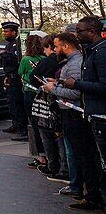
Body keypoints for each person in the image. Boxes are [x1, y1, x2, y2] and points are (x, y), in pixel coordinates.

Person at [44, 32, 100, 210]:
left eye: (57, 46)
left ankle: (93, 195)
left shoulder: (75, 63)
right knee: (81, 155)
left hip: (75, 115)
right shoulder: (73, 62)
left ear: (66, 46)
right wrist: (58, 83)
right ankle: (89, 193)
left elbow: (76, 92)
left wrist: (53, 89)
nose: (55, 49)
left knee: (84, 156)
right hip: (72, 114)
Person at [65, 17, 106, 212]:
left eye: (79, 31)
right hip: (94, 114)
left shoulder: (100, 53)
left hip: (102, 115)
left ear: (91, 31)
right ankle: (95, 198)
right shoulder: (91, 52)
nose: (77, 34)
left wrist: (77, 84)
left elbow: (104, 86)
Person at [31, 35, 66, 181]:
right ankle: (64, 167)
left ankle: (56, 166)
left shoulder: (47, 62)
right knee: (61, 136)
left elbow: (33, 77)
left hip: (51, 101)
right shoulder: (65, 62)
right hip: (63, 102)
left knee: (48, 133)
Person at [19, 31, 47, 169]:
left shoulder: (26, 60)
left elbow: (20, 72)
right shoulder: (44, 58)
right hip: (43, 92)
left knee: (34, 123)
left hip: (30, 92)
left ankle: (41, 156)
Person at [0, 21, 27, 139]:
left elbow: (17, 62)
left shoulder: (17, 45)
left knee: (17, 103)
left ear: (14, 32)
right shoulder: (9, 45)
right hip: (10, 77)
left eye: (6, 31)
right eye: (3, 31)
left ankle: (22, 129)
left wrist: (7, 55)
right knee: (12, 103)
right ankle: (15, 124)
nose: (4, 33)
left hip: (17, 79)